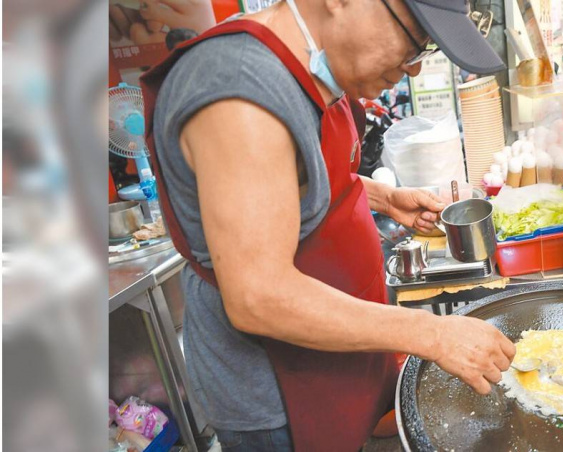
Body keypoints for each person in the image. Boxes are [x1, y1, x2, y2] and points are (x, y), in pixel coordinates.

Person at [139, 0, 515, 450]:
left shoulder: (309, 71)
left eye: (426, 50)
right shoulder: (239, 88)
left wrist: (382, 197)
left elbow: (288, 178)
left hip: (331, 360)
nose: (413, 70)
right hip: (280, 389)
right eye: (414, 40)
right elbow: (258, 296)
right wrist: (433, 333)